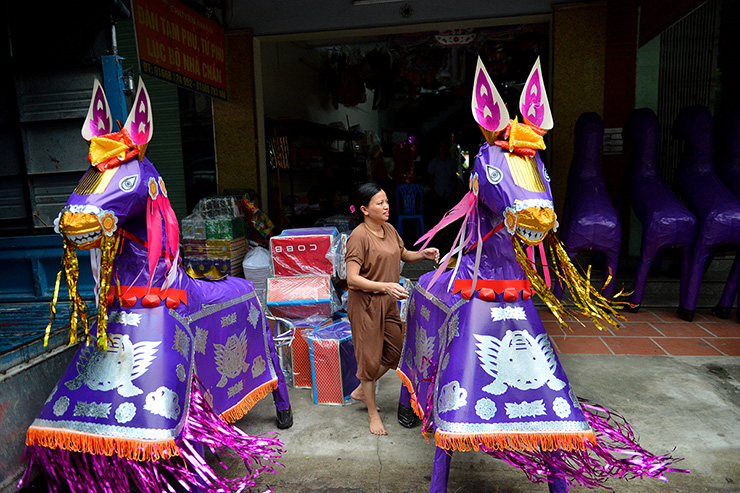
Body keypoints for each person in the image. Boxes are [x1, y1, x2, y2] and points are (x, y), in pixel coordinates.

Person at [345, 182, 439, 436]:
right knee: (369, 358)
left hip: (387, 302)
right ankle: (373, 413)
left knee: (395, 350)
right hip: (365, 306)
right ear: (365, 210)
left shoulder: (388, 229)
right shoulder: (359, 236)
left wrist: (423, 254)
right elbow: (352, 279)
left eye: (386, 201)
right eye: (380, 203)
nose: (386, 207)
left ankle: (363, 388)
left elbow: (403, 254)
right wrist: (385, 286)